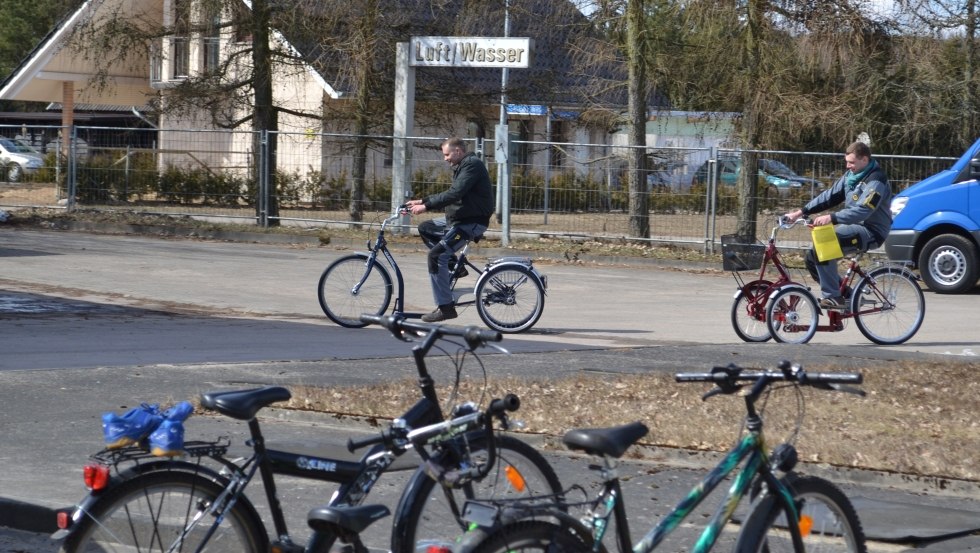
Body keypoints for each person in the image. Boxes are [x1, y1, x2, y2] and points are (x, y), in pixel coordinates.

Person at [784, 140, 892, 310]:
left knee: (825, 244)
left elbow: (864, 210)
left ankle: (833, 297)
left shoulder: (876, 180)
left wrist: (832, 218)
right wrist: (801, 212)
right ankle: (846, 295)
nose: (848, 166)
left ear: (864, 160)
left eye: (852, 162)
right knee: (812, 257)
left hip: (871, 231)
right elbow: (829, 196)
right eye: (847, 162)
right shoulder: (851, 177)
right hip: (853, 228)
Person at [406, 137, 495, 322]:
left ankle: (446, 308)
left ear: (458, 151)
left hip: (471, 223)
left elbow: (455, 193)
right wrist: (422, 201)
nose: (445, 158)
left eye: (447, 154)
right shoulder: (463, 166)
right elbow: (452, 192)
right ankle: (457, 266)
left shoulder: (472, 166)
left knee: (436, 256)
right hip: (460, 219)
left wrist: (426, 207)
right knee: (426, 228)